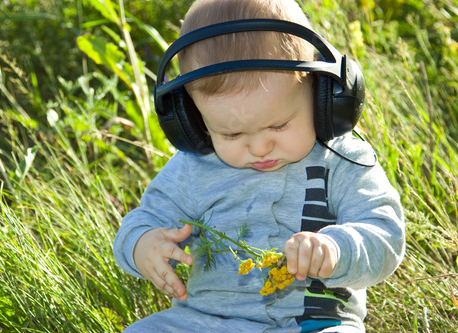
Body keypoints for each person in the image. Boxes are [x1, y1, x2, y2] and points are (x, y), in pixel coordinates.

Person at [113, 0, 405, 332]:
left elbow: (386, 235)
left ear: (321, 96)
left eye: (278, 126)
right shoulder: (193, 168)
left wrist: (337, 248)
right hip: (205, 321)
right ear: (192, 121)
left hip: (314, 323)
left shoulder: (342, 160)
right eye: (231, 133)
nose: (259, 146)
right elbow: (142, 220)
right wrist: (142, 244)